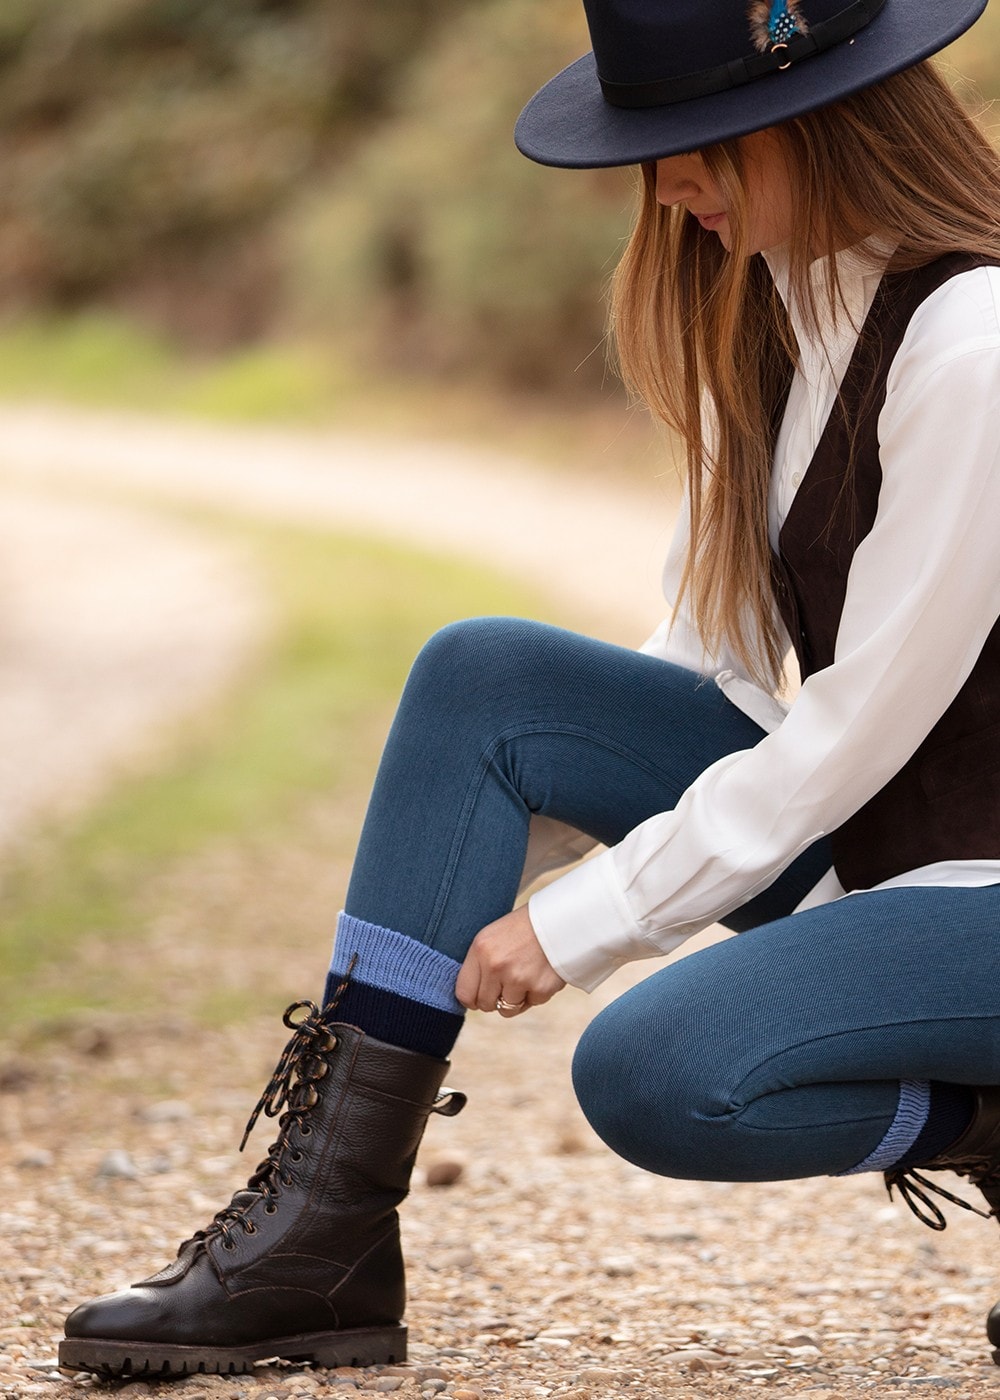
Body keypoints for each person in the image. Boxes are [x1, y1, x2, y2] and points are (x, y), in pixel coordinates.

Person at [59, 0, 1000, 1379]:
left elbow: (861, 722)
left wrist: (592, 918)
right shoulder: (789, 312)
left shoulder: (975, 346)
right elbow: (703, 665)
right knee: (486, 678)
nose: (672, 190)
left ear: (822, 122)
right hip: (909, 869)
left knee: (660, 1072)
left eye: (704, 147)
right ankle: (320, 1238)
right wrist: (502, 851)